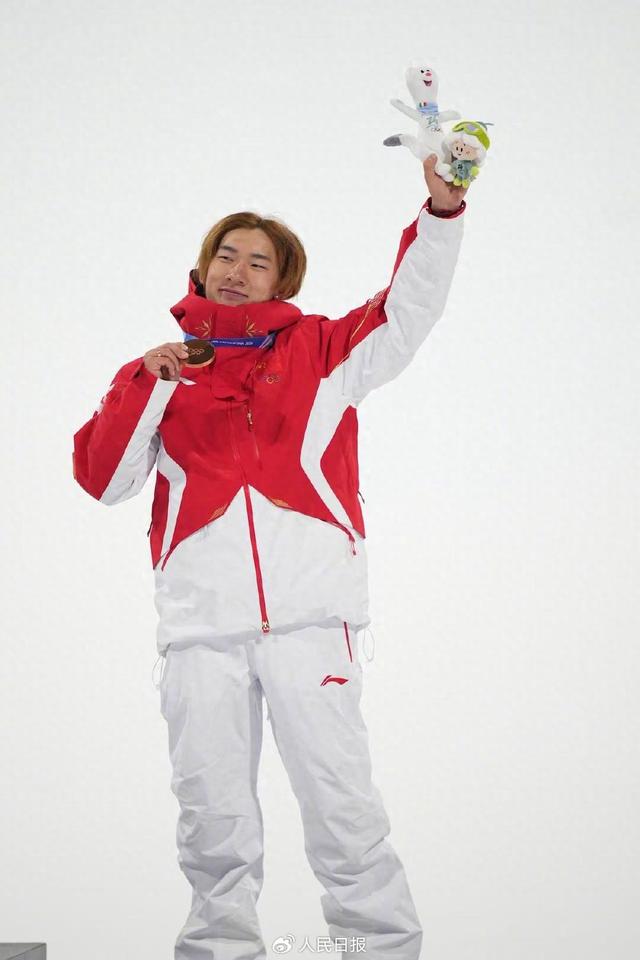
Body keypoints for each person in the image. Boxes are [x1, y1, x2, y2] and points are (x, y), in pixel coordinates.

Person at [72, 155, 469, 960]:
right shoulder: (161, 372)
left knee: (342, 810)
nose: (238, 270)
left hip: (311, 626)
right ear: (202, 268)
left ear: (283, 282)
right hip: (200, 634)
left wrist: (440, 215)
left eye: (259, 262)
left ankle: (382, 948)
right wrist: (145, 383)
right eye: (226, 255)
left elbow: (407, 310)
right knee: (212, 823)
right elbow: (104, 480)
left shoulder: (323, 352)